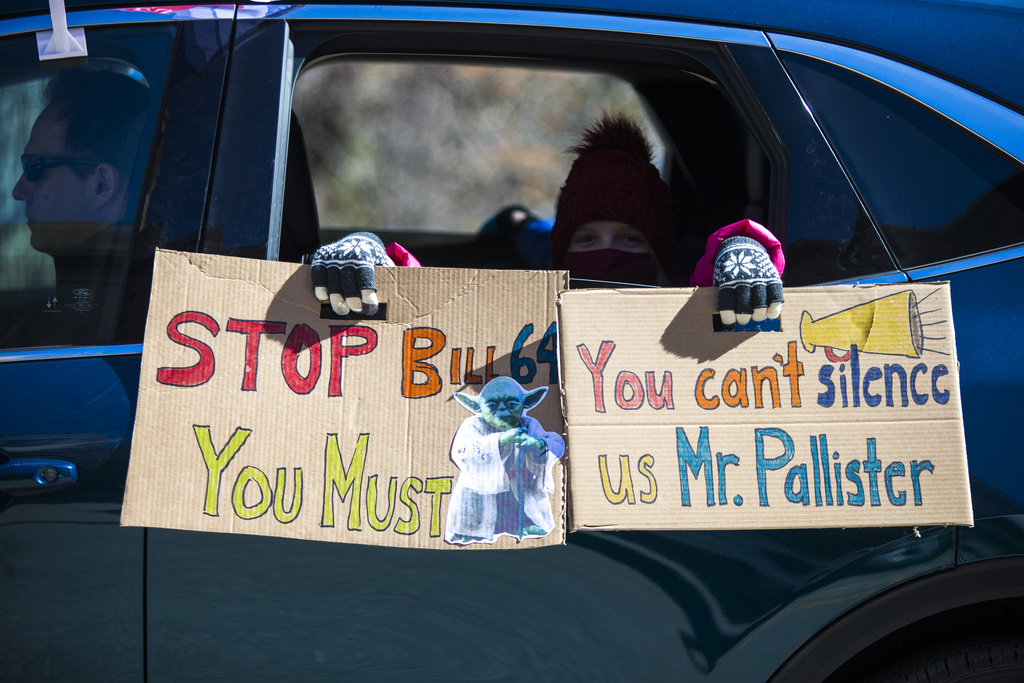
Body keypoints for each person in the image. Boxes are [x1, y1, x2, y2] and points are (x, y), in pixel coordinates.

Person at [311, 114, 784, 326]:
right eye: (585, 238)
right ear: (560, 250)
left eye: (630, 239)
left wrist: (741, 249)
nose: (606, 254)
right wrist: (375, 259)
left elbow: (727, 297)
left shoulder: (688, 308)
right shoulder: (527, 311)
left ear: (661, 252)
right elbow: (434, 312)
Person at [6, 68, 149, 347]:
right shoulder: (89, 301)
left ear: (101, 186)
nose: (18, 190)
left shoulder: (139, 313)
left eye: (34, 167)